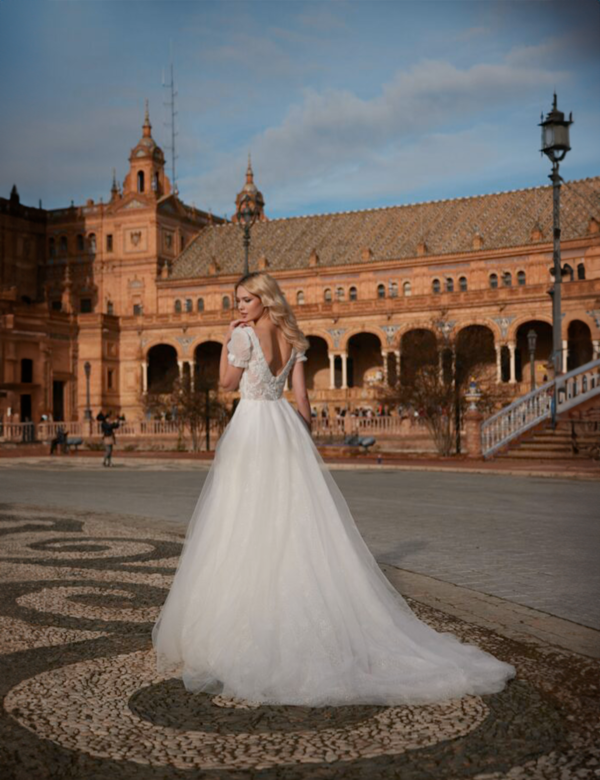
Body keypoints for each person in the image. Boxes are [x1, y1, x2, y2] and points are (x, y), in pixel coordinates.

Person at [152, 271, 515, 707]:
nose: (239, 307)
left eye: (246, 300)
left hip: (251, 428)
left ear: (264, 300)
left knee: (241, 516)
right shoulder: (294, 339)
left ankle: (247, 619)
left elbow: (228, 385)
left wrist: (228, 339)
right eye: (237, 301)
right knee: (291, 520)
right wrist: (301, 445)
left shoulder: (245, 336)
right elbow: (302, 402)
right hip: (284, 427)